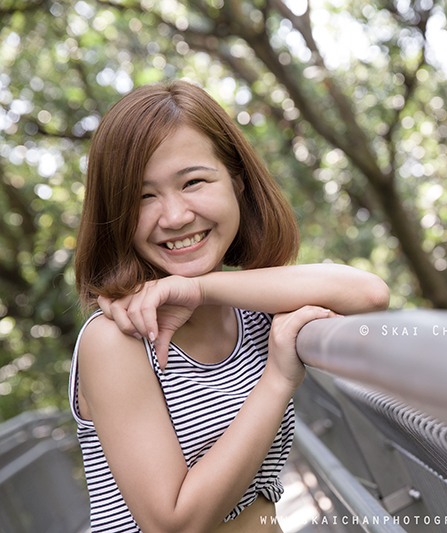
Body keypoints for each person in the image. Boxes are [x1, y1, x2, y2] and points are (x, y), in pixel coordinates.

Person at [68, 80, 390, 533]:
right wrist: (277, 379)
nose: (175, 216)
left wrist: (201, 289)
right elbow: (173, 524)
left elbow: (369, 295)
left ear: (237, 181)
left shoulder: (250, 309)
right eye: (143, 196)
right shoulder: (116, 339)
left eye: (193, 182)